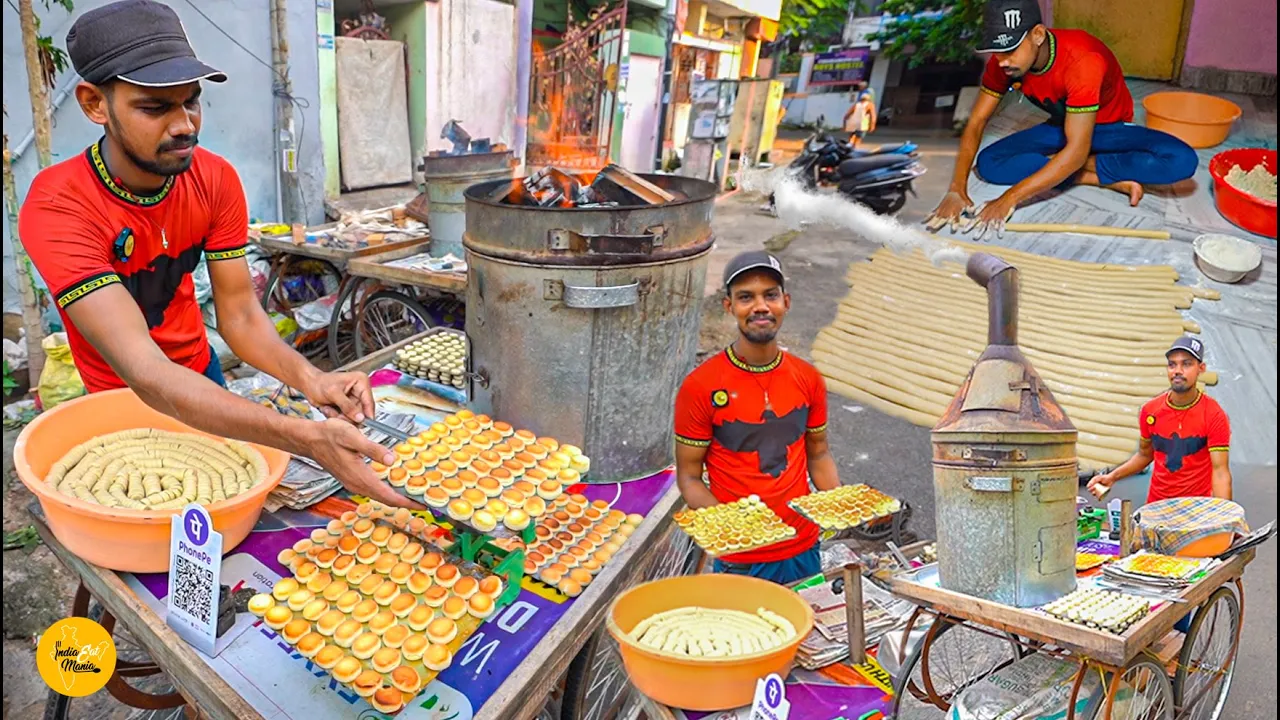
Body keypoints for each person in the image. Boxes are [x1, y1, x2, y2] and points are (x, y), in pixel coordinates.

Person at [17, 0, 411, 508]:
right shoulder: (58, 205)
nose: (184, 125)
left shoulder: (215, 178)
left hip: (204, 375)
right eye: (155, 107)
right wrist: (301, 436)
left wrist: (314, 379)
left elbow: (241, 314)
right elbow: (146, 372)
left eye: (192, 102)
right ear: (95, 105)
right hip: (121, 398)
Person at [925, 0, 1198, 239]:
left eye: (1010, 50)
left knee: (1182, 160)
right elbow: (976, 122)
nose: (1002, 61)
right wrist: (956, 189)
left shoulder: (1082, 60)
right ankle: (1089, 178)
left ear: (1038, 34)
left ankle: (1073, 167)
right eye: (996, 52)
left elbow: (1077, 151)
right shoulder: (1003, 65)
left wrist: (1009, 199)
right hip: (1063, 126)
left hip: (1109, 126)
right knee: (989, 163)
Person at [673, 252, 841, 584]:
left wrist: (837, 505)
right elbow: (690, 478)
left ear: (786, 302)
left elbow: (818, 453)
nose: (760, 306)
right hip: (741, 559)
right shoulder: (700, 385)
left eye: (771, 295)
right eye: (746, 297)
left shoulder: (807, 379)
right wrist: (734, 525)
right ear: (729, 307)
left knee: (804, 634)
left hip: (802, 549)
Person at [1088, 336, 1232, 503]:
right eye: (1172, 364)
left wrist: (1226, 517)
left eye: (1186, 364)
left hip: (1196, 508)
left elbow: (1220, 472)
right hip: (1156, 506)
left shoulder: (1214, 415)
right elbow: (1144, 455)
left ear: (1201, 368)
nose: (1178, 370)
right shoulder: (1150, 411)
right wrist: (1112, 477)